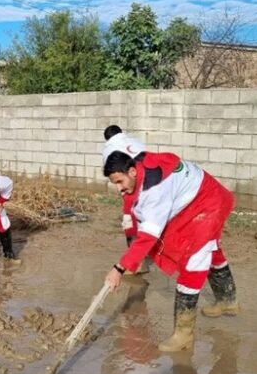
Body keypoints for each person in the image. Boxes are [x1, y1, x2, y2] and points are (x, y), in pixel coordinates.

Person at [102, 150, 240, 352]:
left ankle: (184, 335)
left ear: (132, 171)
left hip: (207, 203)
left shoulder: (155, 191)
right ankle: (228, 300)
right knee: (211, 248)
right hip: (198, 195)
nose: (119, 189)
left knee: (194, 259)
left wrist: (119, 268)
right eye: (115, 183)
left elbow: (148, 237)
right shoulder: (141, 164)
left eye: (120, 182)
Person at [102, 125, 149, 273]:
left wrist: (123, 189)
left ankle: (138, 264)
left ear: (107, 138)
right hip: (148, 184)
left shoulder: (109, 149)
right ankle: (144, 255)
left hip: (132, 187)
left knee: (130, 222)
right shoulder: (136, 142)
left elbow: (113, 173)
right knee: (146, 219)